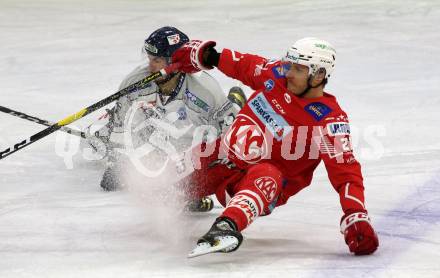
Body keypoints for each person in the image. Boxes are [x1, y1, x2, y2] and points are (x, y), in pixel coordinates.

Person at [170, 37, 379, 256]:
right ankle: (185, 194)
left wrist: (355, 214)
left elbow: (346, 174)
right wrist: (209, 56)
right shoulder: (278, 74)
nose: (288, 73)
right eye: (288, 65)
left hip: (253, 183)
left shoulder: (328, 121)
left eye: (298, 69)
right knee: (163, 188)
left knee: (267, 174)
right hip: (222, 157)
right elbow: (245, 66)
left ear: (318, 75)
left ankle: (226, 226)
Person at [86, 26, 246, 212]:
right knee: (110, 176)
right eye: (149, 59)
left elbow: (232, 133)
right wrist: (117, 155)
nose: (150, 66)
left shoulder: (205, 90)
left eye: (157, 60)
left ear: (177, 63)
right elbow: (121, 128)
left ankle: (235, 100)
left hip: (193, 142)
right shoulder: (133, 83)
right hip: (156, 142)